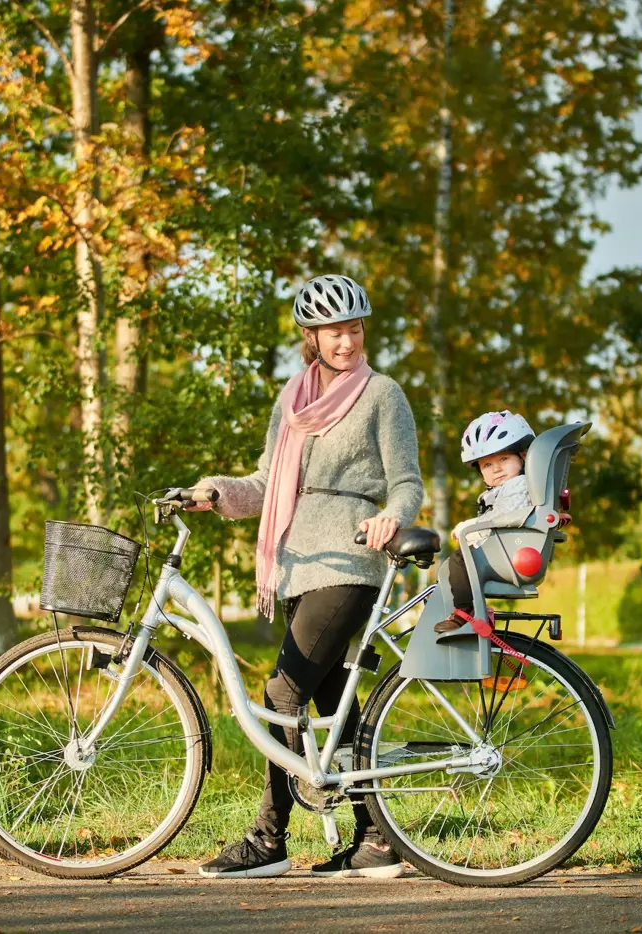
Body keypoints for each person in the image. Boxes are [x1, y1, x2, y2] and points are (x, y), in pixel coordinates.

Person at [187, 274, 423, 879]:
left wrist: (390, 519)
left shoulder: (382, 394)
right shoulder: (292, 399)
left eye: (354, 328)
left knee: (282, 693)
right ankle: (376, 841)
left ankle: (268, 838)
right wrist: (216, 491)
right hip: (296, 567)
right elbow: (267, 486)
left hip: (349, 561)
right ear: (311, 337)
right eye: (333, 331)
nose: (346, 340)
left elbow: (406, 482)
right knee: (325, 703)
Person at [433, 410, 535, 634]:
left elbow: (508, 514)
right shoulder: (507, 489)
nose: (496, 468)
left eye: (504, 459)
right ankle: (473, 609)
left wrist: (470, 527)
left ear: (524, 456)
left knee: (459, 560)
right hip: (506, 551)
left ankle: (465, 610)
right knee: (457, 565)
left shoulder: (518, 484)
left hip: (509, 554)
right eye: (487, 465)